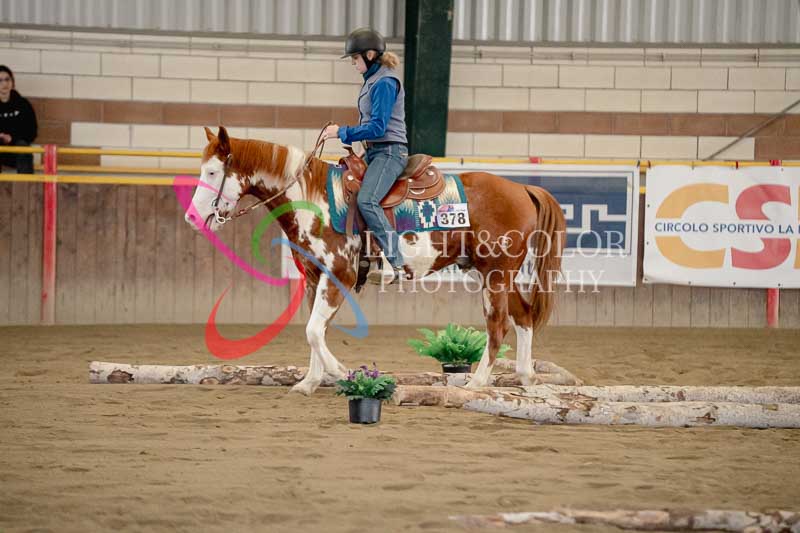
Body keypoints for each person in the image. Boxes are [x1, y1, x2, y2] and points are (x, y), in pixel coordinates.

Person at [321, 28, 408, 284]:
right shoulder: (373, 80)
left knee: (368, 200)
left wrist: (341, 132)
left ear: (370, 55)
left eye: (355, 58)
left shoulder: (384, 83)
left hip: (390, 152)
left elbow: (378, 127)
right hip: (375, 150)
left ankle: (396, 261)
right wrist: (363, 149)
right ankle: (363, 257)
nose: (353, 63)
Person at [0, 65, 37, 174]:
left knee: (23, 147)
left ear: (12, 82)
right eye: (0, 80)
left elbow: (32, 132)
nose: (4, 83)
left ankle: (26, 182)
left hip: (17, 149)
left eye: (7, 79)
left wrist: (12, 138)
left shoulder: (23, 104)